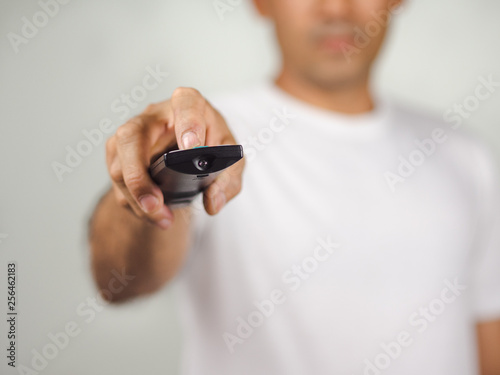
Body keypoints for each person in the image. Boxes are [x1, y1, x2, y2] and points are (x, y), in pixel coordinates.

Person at [88, 0, 500, 374]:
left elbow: (487, 336)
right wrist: (159, 177)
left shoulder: (467, 158)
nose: (336, 9)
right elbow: (118, 280)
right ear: (261, 4)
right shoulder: (208, 139)